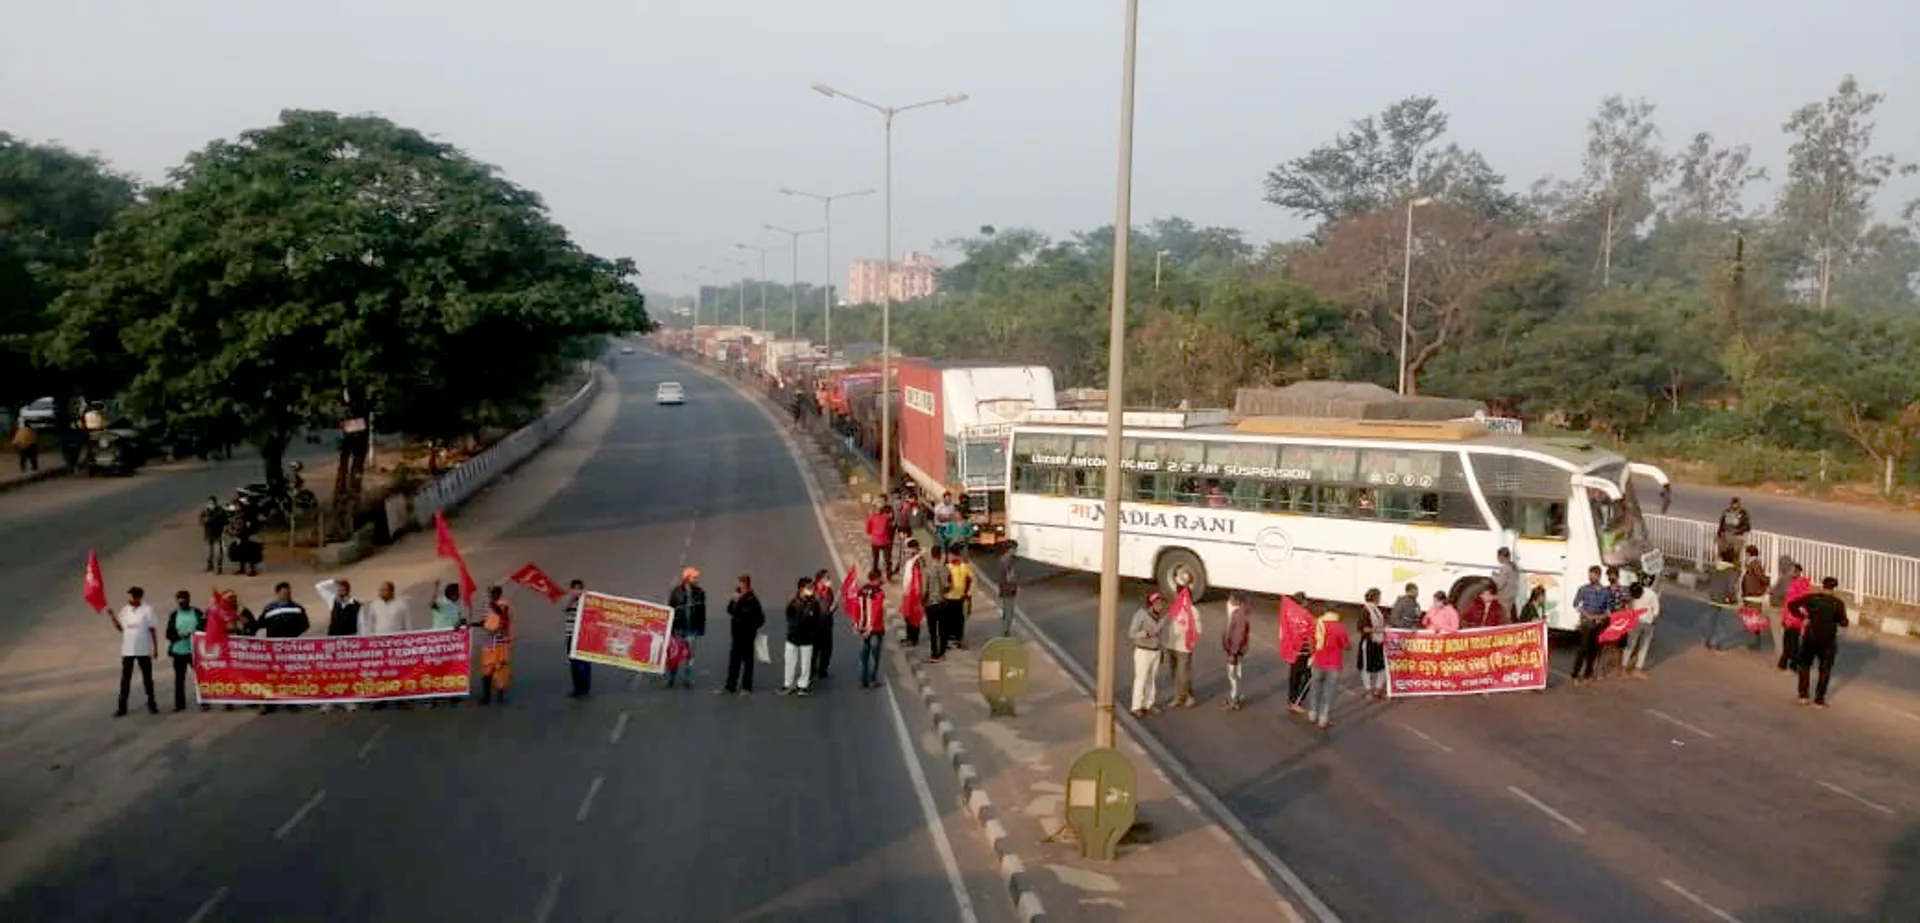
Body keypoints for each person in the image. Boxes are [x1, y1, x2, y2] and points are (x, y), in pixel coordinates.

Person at [1788, 577, 1848, 708]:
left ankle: (1803, 695)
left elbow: (1792, 605)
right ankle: (1819, 700)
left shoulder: (1812, 598)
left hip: (1810, 637)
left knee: (1805, 665)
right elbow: (1844, 622)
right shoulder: (1838, 603)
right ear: (1834, 588)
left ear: (1823, 586)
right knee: (1825, 669)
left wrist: (1804, 616)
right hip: (1828, 640)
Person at [112, 587, 159, 717]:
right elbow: (121, 628)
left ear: (139, 597)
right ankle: (122, 707)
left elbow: (152, 630)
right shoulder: (125, 610)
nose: (130, 599)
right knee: (125, 679)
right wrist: (113, 618)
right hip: (128, 650)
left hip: (143, 649)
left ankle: (152, 704)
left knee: (147, 678)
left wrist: (155, 648)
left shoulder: (147, 610)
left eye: (133, 597)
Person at [1307, 609, 1351, 730]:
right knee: (1328, 692)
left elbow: (1311, 640)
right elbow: (1346, 646)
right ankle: (1323, 718)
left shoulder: (1318, 623)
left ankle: (1312, 714)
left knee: (1315, 688)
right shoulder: (1340, 627)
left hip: (1318, 662)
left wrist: (1313, 654)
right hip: (1333, 664)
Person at [162, 590, 204, 712]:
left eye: (184, 600)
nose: (182, 602)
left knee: (200, 677)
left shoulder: (196, 612)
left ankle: (204, 701)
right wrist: (180, 636)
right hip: (179, 651)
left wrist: (195, 633)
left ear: (188, 600)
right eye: (180, 601)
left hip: (195, 651)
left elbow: (204, 626)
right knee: (179, 679)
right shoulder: (174, 615)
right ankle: (179, 704)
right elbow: (168, 634)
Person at [723, 575, 765, 695]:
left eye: (741, 584)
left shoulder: (752, 599)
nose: (739, 586)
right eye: (739, 584)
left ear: (746, 584)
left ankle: (747, 687)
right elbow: (730, 611)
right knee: (734, 661)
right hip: (736, 635)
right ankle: (730, 686)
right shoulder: (736, 596)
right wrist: (733, 601)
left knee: (747, 662)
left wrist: (752, 628)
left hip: (747, 636)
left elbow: (760, 618)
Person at [1126, 592, 1167, 717]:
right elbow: (1132, 633)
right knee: (1141, 679)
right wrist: (1146, 634)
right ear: (1151, 604)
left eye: (1161, 603)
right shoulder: (1141, 615)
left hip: (1155, 650)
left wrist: (1161, 649)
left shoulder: (1161, 617)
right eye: (1157, 603)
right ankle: (1136, 706)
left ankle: (1149, 703)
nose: (1160, 605)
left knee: (1152, 679)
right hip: (1143, 650)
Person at [666, 567, 707, 688]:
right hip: (679, 628)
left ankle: (688, 678)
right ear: (687, 578)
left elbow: (702, 612)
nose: (696, 579)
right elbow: (670, 609)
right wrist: (670, 628)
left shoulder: (700, 592)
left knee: (690, 655)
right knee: (675, 654)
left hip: (692, 628)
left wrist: (701, 628)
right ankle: (672, 677)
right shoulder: (676, 591)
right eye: (694, 577)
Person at [1570, 566, 1611, 684]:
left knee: (1593, 650)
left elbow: (1608, 610)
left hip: (1598, 625)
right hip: (1586, 624)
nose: (1590, 577)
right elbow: (1576, 604)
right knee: (1582, 649)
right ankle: (1575, 675)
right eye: (1589, 575)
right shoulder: (1583, 589)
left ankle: (1588, 674)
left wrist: (1600, 617)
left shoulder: (1605, 592)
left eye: (1593, 575)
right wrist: (1587, 615)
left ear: (1599, 576)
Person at [1164, 582, 1202, 708]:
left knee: (1183, 673)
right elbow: (1170, 627)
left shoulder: (1193, 611)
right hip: (1172, 645)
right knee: (1175, 674)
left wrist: (1191, 641)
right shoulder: (1175, 608)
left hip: (1184, 647)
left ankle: (1188, 696)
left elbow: (1198, 630)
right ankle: (1178, 697)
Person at [1280, 592, 1314, 714]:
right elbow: (1309, 634)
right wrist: (1313, 652)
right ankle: (1296, 701)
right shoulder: (1305, 616)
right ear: (1302, 602)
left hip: (1293, 651)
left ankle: (1292, 700)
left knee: (1294, 677)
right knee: (1309, 677)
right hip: (1304, 652)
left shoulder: (1290, 613)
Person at [781, 577, 816, 696]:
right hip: (793, 637)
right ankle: (788, 684)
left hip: (807, 638)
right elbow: (789, 617)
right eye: (809, 587)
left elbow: (816, 619)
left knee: (805, 664)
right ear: (801, 589)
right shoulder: (792, 603)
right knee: (789, 662)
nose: (811, 590)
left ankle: (803, 685)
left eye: (812, 587)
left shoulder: (813, 603)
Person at [478, 586, 513, 705]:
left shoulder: (504, 604)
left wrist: (492, 603)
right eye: (493, 593)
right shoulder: (486, 606)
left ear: (500, 594)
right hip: (488, 643)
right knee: (486, 670)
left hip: (500, 643)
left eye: (496, 593)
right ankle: (486, 696)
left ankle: (500, 695)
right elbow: (484, 622)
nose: (495, 595)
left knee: (500, 670)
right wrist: (471, 624)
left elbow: (501, 614)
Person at [1702, 549, 1741, 652]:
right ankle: (1718, 643)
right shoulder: (1731, 570)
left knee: (1712, 619)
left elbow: (1708, 579)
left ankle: (1708, 639)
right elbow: (1731, 586)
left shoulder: (1715, 567)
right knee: (1722, 621)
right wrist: (1733, 598)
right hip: (1724, 598)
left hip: (1713, 596)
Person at [854, 569, 887, 689]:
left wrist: (856, 624)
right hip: (875, 629)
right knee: (874, 656)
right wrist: (871, 627)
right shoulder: (879, 592)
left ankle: (863, 680)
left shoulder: (861, 590)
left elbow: (856, 607)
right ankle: (872, 680)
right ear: (877, 578)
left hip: (862, 627)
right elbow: (876, 611)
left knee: (864, 655)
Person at [1779, 563, 1814, 672]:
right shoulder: (1791, 582)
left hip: (1795, 616)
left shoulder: (1802, 584)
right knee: (1787, 640)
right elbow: (1787, 601)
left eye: (1793, 571)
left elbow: (1804, 600)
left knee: (1793, 641)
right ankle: (1785, 661)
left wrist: (1804, 615)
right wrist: (1784, 617)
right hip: (1789, 615)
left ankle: (1792, 662)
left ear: (1798, 572)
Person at [1620, 582, 1660, 677]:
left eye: (1638, 595)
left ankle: (1638, 669)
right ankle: (1623, 669)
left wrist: (1654, 620)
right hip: (1635, 623)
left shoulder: (1651, 594)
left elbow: (1656, 609)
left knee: (1644, 646)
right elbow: (1627, 608)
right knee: (1630, 645)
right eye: (1635, 596)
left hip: (1648, 623)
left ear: (1641, 591)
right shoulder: (1631, 596)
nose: (1637, 597)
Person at [1221, 593, 1251, 710]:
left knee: (1233, 675)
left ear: (1237, 601)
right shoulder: (1241, 613)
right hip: (1237, 650)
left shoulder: (1239, 615)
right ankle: (1236, 697)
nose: (1229, 601)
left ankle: (1234, 700)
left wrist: (1233, 652)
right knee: (1237, 674)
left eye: (1231, 599)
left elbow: (1238, 635)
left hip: (1235, 651)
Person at [922, 546, 953, 661]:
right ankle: (942, 653)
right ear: (940, 555)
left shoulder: (927, 570)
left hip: (931, 603)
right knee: (943, 630)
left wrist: (923, 602)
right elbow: (949, 586)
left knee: (933, 631)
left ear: (931, 555)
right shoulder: (946, 569)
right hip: (943, 602)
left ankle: (934, 653)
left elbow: (925, 589)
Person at [563, 580, 592, 698]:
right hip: (571, 635)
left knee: (584, 662)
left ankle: (585, 687)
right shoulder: (568, 600)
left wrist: (583, 597)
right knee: (574, 662)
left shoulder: (587, 601)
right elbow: (564, 608)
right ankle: (577, 687)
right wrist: (572, 599)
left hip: (583, 636)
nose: (576, 591)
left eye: (578, 589)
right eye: (574, 589)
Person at [1358, 588, 1388, 698]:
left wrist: (1384, 628)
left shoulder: (1376, 609)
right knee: (1366, 668)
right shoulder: (1365, 610)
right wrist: (1379, 630)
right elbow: (1363, 628)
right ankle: (1368, 689)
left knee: (1382, 666)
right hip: (1369, 642)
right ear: (1375, 597)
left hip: (1379, 641)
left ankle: (1378, 689)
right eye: (1379, 597)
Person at [1767, 555, 1796, 667]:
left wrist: (1771, 591)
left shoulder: (1784, 579)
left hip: (1778, 607)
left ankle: (1781, 656)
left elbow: (1783, 592)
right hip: (1784, 608)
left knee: (1777, 633)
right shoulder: (1791, 578)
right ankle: (1783, 655)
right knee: (1782, 633)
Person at [944, 549, 974, 651]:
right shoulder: (948, 567)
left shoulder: (965, 567)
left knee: (959, 620)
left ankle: (958, 639)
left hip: (960, 598)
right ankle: (948, 639)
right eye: (949, 556)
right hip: (948, 597)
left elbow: (973, 580)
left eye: (951, 555)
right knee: (948, 619)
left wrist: (969, 593)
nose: (950, 558)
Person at [810, 568, 836, 681]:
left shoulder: (829, 591)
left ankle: (823, 669)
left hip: (827, 625)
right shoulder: (812, 590)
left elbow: (830, 605)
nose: (829, 580)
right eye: (827, 578)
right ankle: (811, 669)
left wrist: (833, 609)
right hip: (814, 626)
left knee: (827, 649)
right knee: (814, 649)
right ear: (820, 579)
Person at [901, 538, 927, 647]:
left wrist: (917, 593)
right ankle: (909, 636)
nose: (907, 551)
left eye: (909, 549)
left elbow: (918, 578)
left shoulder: (918, 561)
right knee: (907, 615)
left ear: (915, 549)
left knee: (913, 616)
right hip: (908, 591)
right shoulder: (911, 560)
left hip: (914, 593)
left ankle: (914, 638)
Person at [996, 540, 1020, 638]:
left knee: (1007, 610)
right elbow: (1009, 577)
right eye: (1014, 549)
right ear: (1010, 549)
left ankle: (1006, 629)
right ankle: (1006, 631)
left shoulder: (1004, 560)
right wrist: (1015, 586)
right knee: (1009, 611)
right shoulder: (1007, 561)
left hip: (1005, 588)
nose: (1015, 551)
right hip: (1008, 588)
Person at [199, 497, 229, 575]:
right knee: (209, 553)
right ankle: (210, 568)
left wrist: (210, 519)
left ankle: (219, 568)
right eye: (209, 503)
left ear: (215, 503)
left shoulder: (220, 511)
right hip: (209, 534)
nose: (210, 504)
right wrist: (204, 520)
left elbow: (225, 521)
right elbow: (201, 521)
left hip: (218, 534)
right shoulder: (205, 511)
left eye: (212, 503)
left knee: (218, 552)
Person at [865, 502, 895, 579]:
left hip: (875, 541)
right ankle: (888, 572)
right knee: (887, 558)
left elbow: (868, 531)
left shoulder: (871, 518)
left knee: (875, 558)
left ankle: (875, 572)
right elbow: (890, 528)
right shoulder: (886, 518)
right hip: (885, 541)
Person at [1492, 548, 1520, 618]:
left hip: (1504, 597)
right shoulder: (1514, 566)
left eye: (1498, 556)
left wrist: (1494, 577)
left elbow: (1500, 585)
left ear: (1501, 556)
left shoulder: (1505, 568)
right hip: (1511, 596)